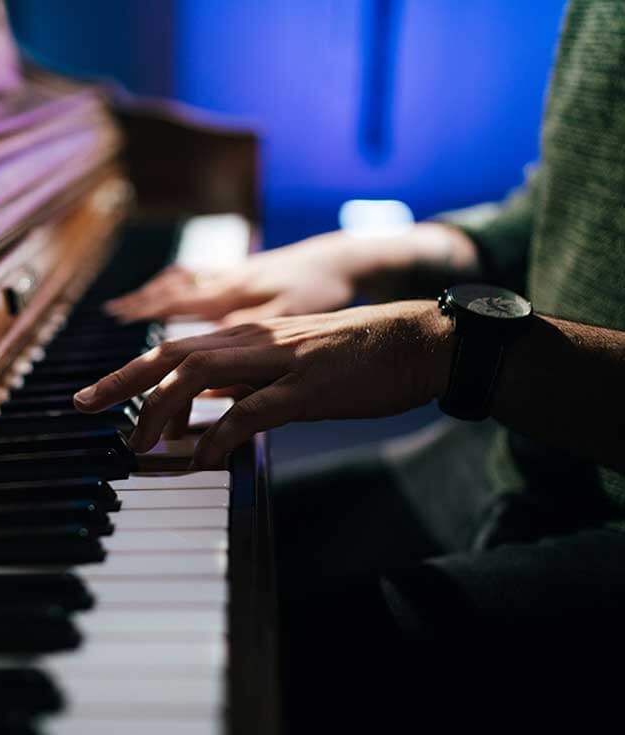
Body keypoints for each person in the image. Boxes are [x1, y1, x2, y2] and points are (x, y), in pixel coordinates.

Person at [73, 1, 625, 731]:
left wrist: (452, 348)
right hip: (520, 457)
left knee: (175, 674)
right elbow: (568, 203)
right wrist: (365, 256)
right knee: (168, 572)